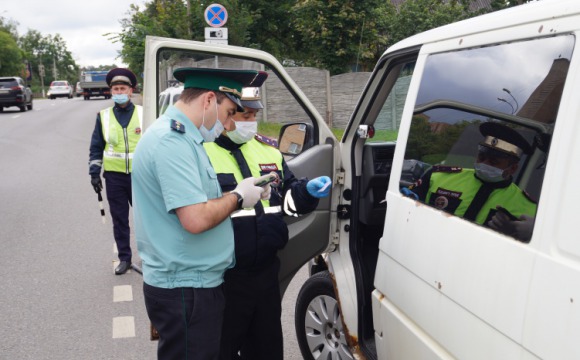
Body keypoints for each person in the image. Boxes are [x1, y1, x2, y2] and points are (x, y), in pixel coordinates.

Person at [132, 67, 270, 360]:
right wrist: (237, 198)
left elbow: (196, 200)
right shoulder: (172, 142)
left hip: (191, 284)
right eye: (230, 112)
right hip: (186, 287)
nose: (230, 124)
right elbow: (195, 218)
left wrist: (246, 192)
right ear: (209, 100)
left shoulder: (185, 140)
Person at [203, 75, 332, 360]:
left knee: (267, 350)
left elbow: (287, 203)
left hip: (266, 274)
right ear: (224, 114)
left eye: (254, 115)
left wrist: (307, 193)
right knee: (219, 350)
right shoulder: (202, 153)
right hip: (224, 278)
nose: (251, 121)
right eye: (244, 114)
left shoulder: (269, 152)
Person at [408, 122, 537, 242]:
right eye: (482, 157)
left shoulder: (529, 208)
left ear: (513, 168)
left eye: (493, 162)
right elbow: (406, 210)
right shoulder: (438, 176)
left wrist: (532, 236)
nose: (484, 164)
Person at [88, 68, 141, 275]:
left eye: (123, 88)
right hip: (114, 177)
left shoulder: (144, 114)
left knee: (147, 219)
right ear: (111, 92)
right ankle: (125, 259)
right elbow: (96, 146)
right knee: (120, 220)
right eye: (115, 88)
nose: (119, 91)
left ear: (131, 91)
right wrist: (94, 172)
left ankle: (151, 258)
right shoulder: (104, 116)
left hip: (141, 176)